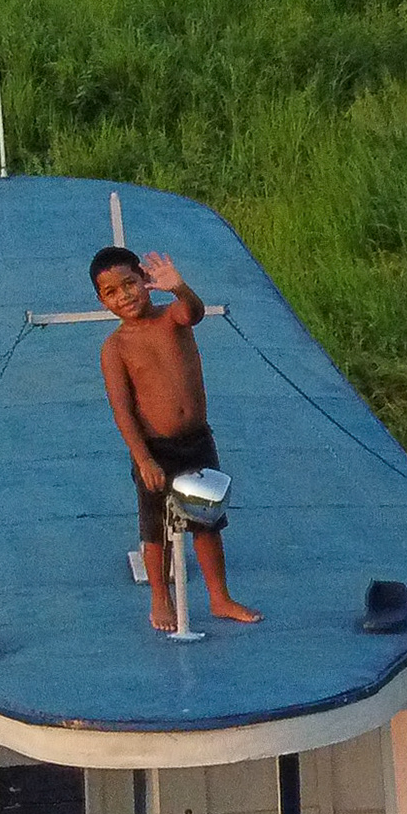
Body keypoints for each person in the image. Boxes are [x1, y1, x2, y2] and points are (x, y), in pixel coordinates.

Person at [92, 244, 259, 631]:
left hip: (196, 440)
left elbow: (194, 312)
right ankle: (160, 598)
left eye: (130, 284)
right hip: (155, 450)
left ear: (145, 281)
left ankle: (219, 597)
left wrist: (179, 287)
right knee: (156, 530)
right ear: (102, 301)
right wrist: (143, 457)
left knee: (207, 521)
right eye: (112, 292)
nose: (125, 296)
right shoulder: (115, 347)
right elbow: (122, 409)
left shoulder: (172, 318)